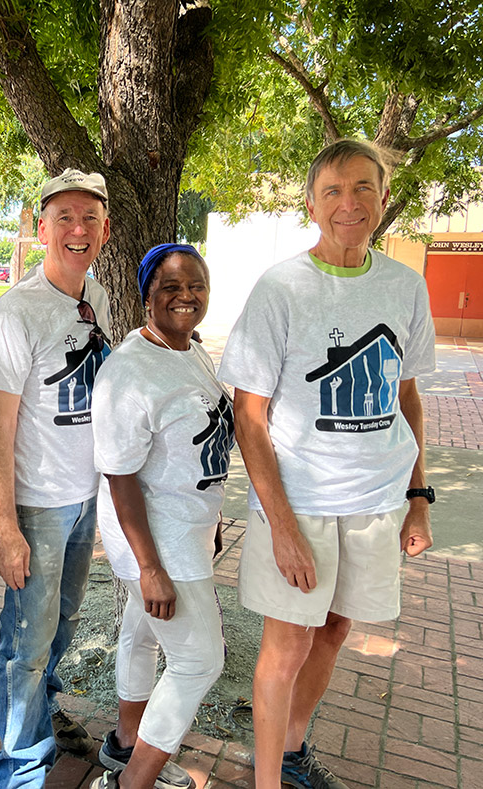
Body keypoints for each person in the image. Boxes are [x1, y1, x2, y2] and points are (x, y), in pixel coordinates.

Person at [219, 140, 436, 789]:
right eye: (335, 190)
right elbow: (248, 415)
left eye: (364, 188)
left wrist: (419, 497)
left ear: (384, 200)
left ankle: (290, 750)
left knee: (336, 628)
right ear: (312, 203)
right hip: (300, 502)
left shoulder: (404, 287)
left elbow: (407, 395)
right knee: (286, 645)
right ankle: (264, 780)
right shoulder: (282, 287)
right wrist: (281, 524)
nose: (350, 203)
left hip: (373, 502)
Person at [0, 168, 112, 789]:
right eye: (63, 218)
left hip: (84, 499)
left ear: (105, 231)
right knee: (26, 642)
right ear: (41, 229)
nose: (77, 229)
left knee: (62, 623)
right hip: (38, 505)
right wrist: (5, 526)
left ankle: (40, 716)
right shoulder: (17, 312)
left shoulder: (98, 299)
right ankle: (19, 769)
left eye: (89, 218)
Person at [90, 244, 232, 789]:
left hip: (185, 529)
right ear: (146, 294)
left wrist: (213, 519)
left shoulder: (190, 350)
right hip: (156, 539)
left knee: (143, 632)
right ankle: (136, 782)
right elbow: (120, 477)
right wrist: (149, 567)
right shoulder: (130, 372)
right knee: (200, 661)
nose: (185, 296)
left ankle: (127, 744)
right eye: (170, 287)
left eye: (195, 285)